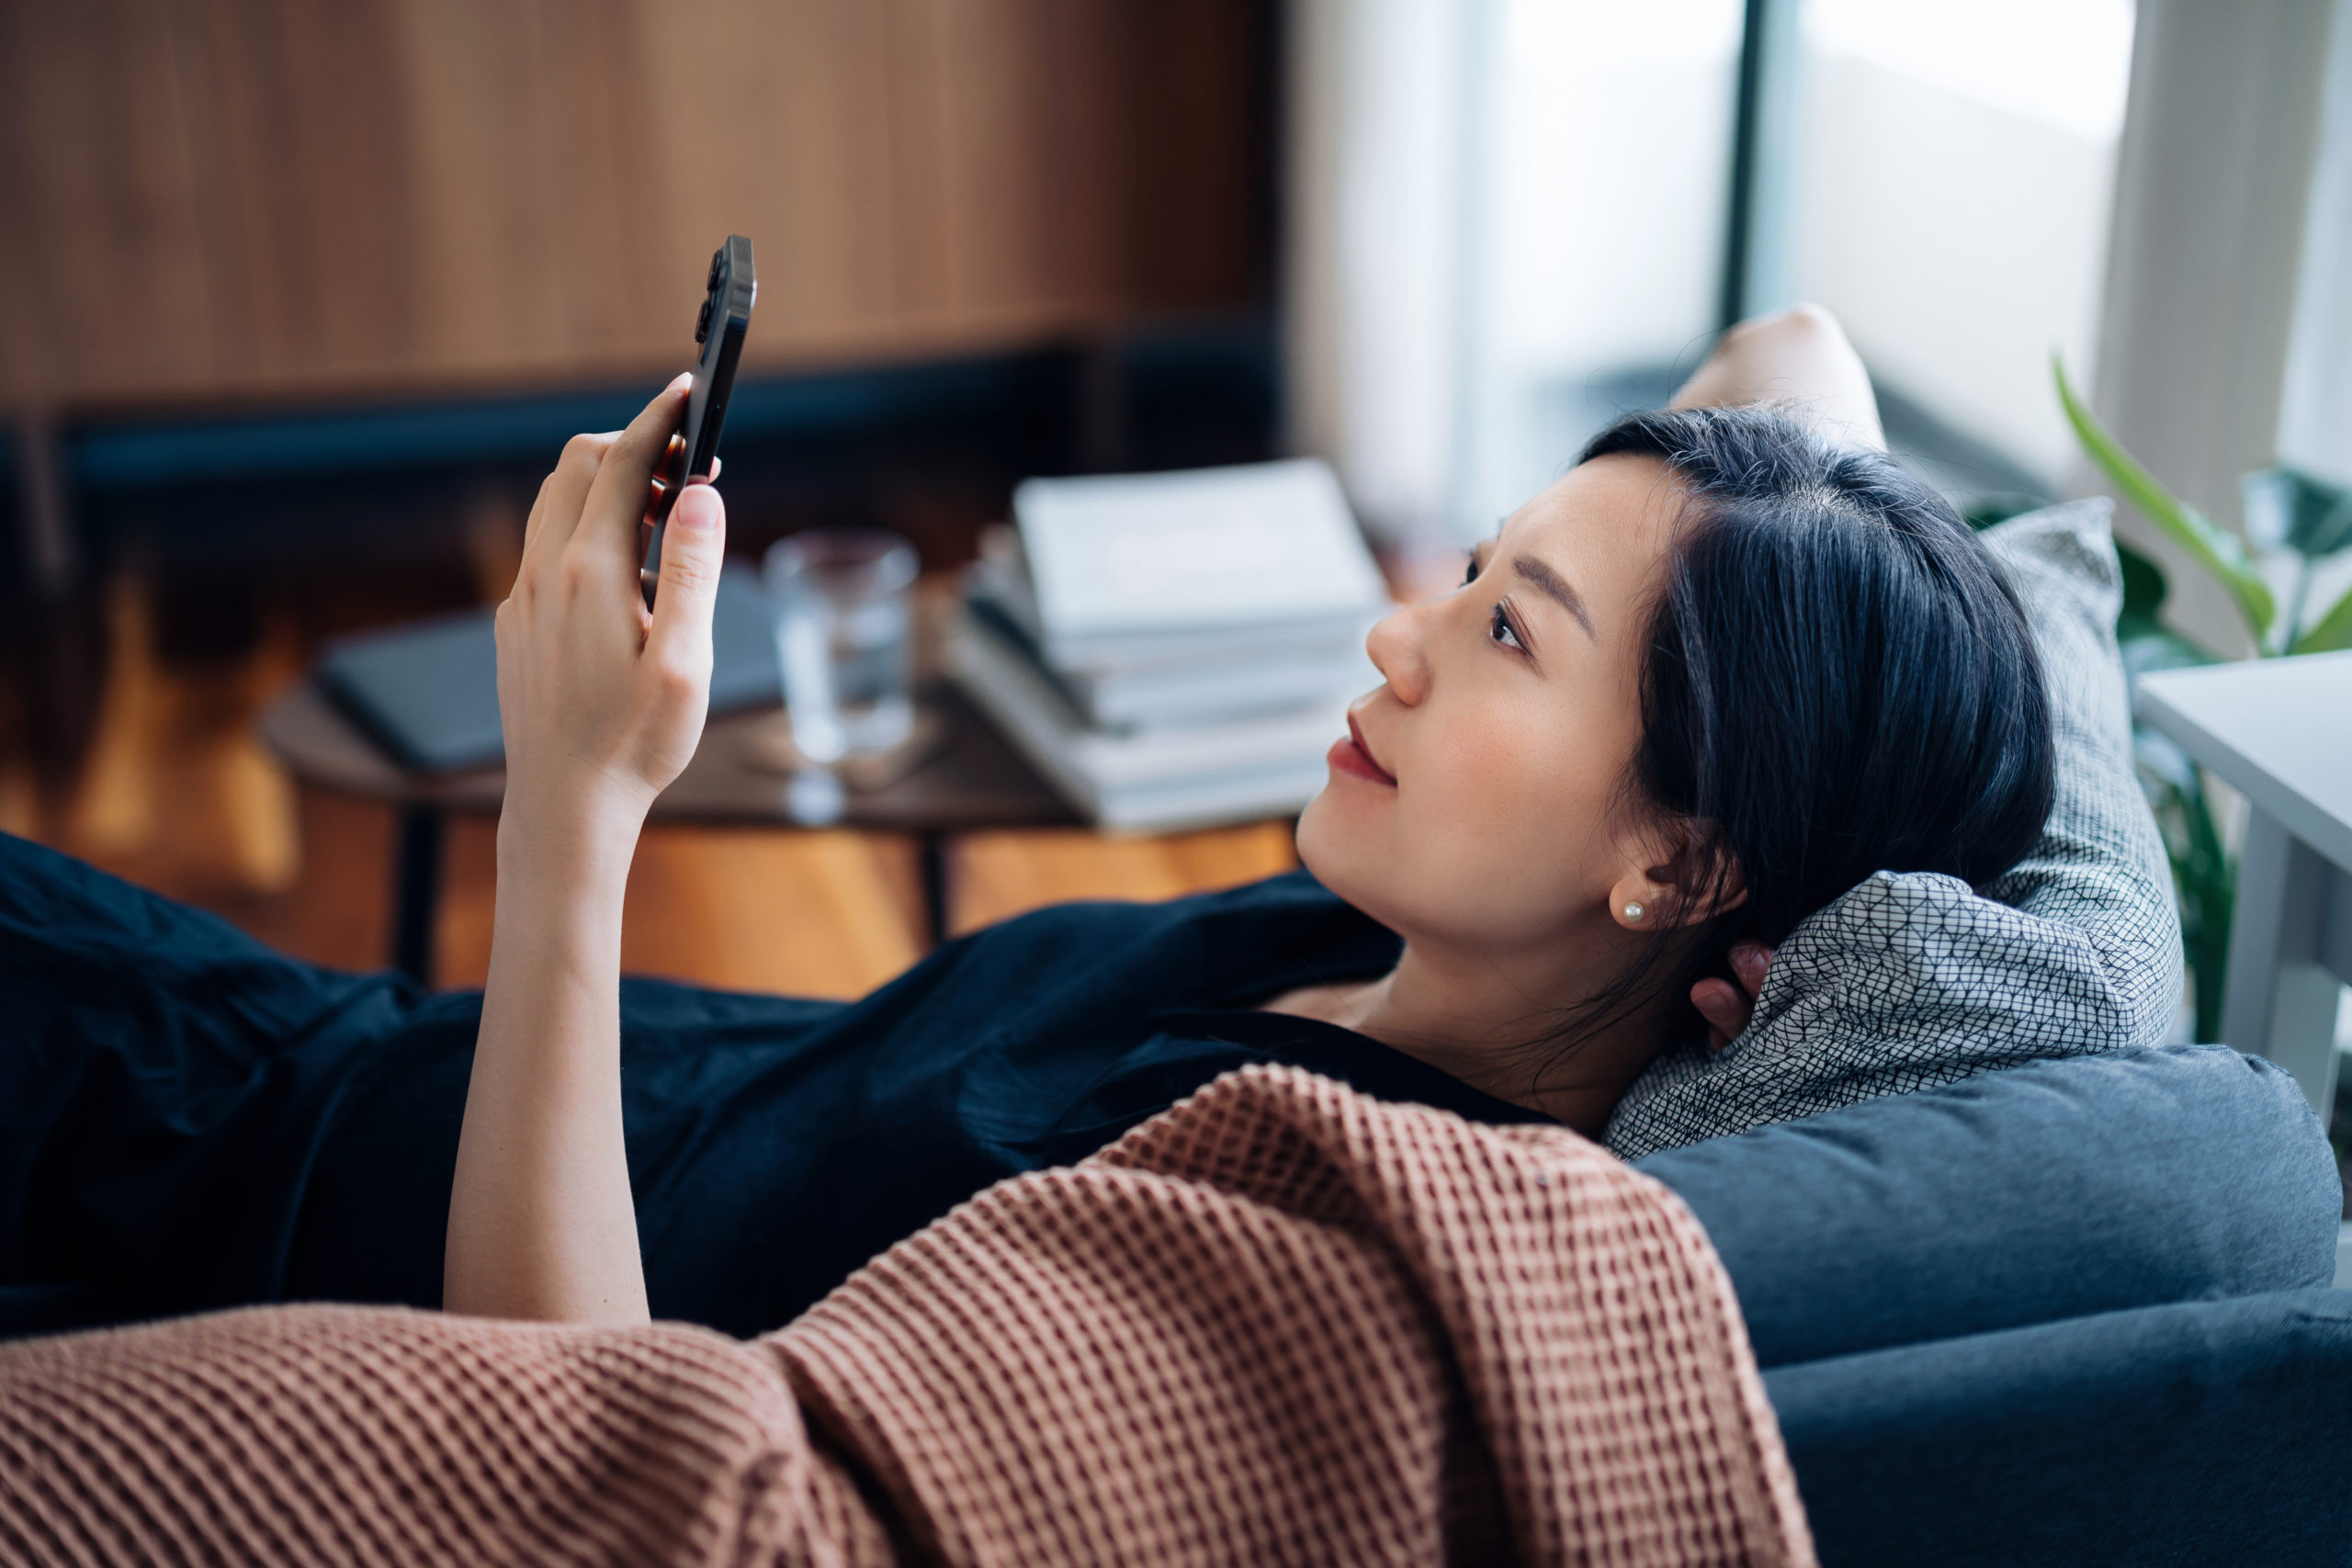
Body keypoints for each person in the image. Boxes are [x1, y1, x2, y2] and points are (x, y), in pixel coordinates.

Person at [0, 308, 2173, 1337]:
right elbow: (1791, 367)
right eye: (1468, 567)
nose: (1402, 635)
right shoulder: (1414, 936)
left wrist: (573, 804)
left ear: (1681, 864)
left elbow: (580, 1452)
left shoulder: (1292, 1213)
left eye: (1508, 631)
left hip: (264, 1241)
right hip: (336, 1064)